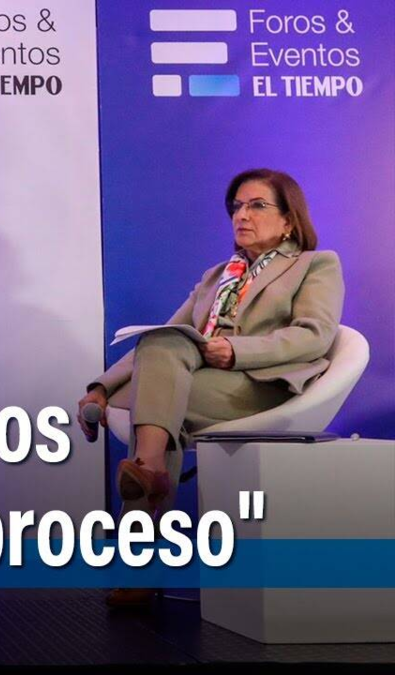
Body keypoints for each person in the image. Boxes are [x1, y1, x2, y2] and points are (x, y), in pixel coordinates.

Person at [78, 168, 344, 607]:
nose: (242, 215)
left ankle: (141, 550)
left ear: (288, 220)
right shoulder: (217, 274)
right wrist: (101, 388)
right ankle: (150, 470)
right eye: (236, 207)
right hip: (197, 380)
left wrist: (236, 351)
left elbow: (313, 335)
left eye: (257, 205)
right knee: (161, 353)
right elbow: (161, 340)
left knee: (155, 403)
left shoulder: (315, 264)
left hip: (260, 384)